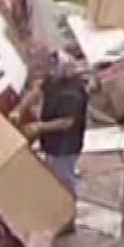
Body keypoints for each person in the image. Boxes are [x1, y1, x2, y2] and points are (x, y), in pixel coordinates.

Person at [27, 55, 90, 214]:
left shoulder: (72, 92)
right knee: (54, 178)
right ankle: (57, 212)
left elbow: (67, 122)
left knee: (65, 181)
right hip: (52, 144)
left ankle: (68, 216)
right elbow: (36, 91)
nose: (51, 71)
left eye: (55, 68)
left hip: (66, 146)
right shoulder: (54, 80)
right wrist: (18, 110)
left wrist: (39, 127)